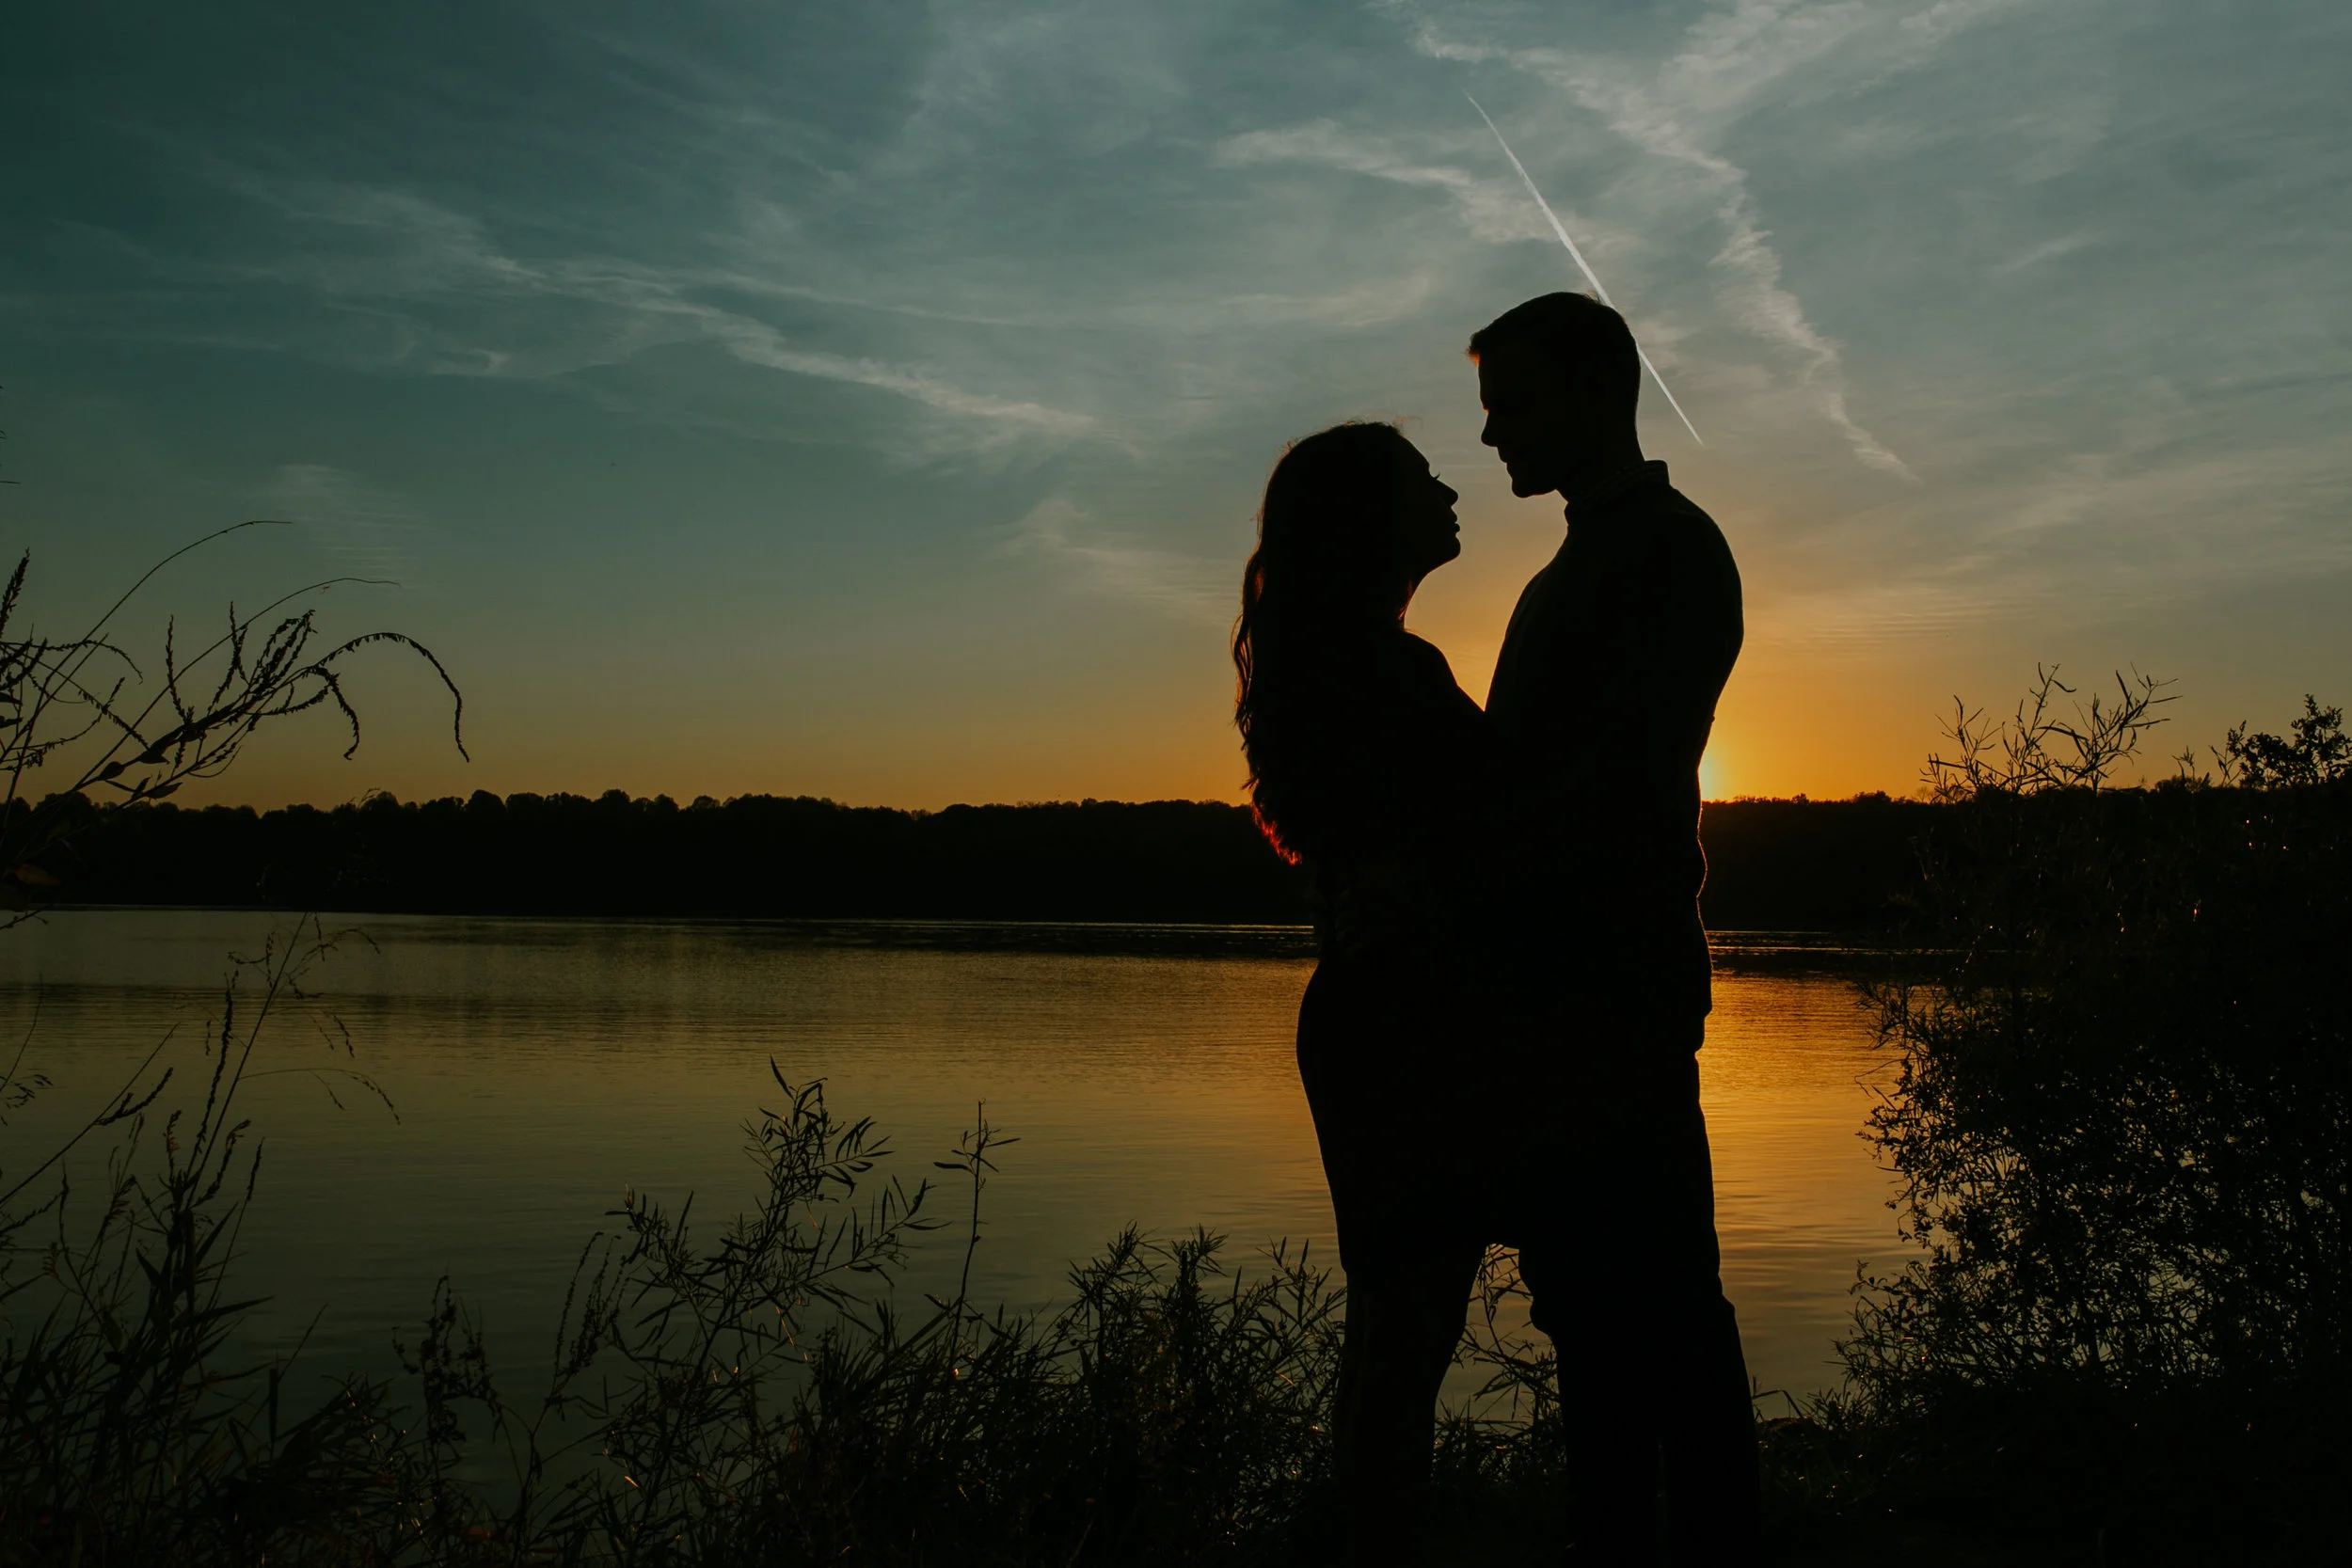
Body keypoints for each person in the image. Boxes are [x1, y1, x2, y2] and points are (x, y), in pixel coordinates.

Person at [1470, 291, 1758, 1561]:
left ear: (1594, 394)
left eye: (1513, 405)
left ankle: (1701, 1537)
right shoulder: (1577, 564)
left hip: (1612, 985)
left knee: (1657, 1307)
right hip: (1565, 989)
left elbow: (1610, 785)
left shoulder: (1666, 553)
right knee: (1595, 1308)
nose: (1493, 437)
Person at [1231, 420, 1499, 1567]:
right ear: (1363, 521)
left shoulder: (1338, 661)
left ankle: (1362, 1541)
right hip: (1404, 1023)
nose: (1448, 490)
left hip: (1371, 1011)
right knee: (1404, 1337)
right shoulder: (1385, 669)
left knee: (1389, 1330)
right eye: (1418, 481)